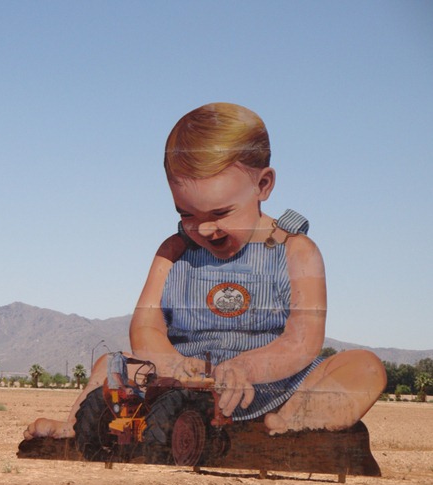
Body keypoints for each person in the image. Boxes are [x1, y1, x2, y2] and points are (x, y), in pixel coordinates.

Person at [24, 102, 385, 440]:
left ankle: (292, 423)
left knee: (365, 368)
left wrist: (248, 368)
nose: (205, 229)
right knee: (110, 365)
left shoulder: (296, 250)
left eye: (221, 213)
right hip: (185, 389)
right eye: (187, 215)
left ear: (263, 185)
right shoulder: (173, 253)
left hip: (277, 389)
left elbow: (303, 341)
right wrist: (173, 363)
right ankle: (78, 428)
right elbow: (145, 326)